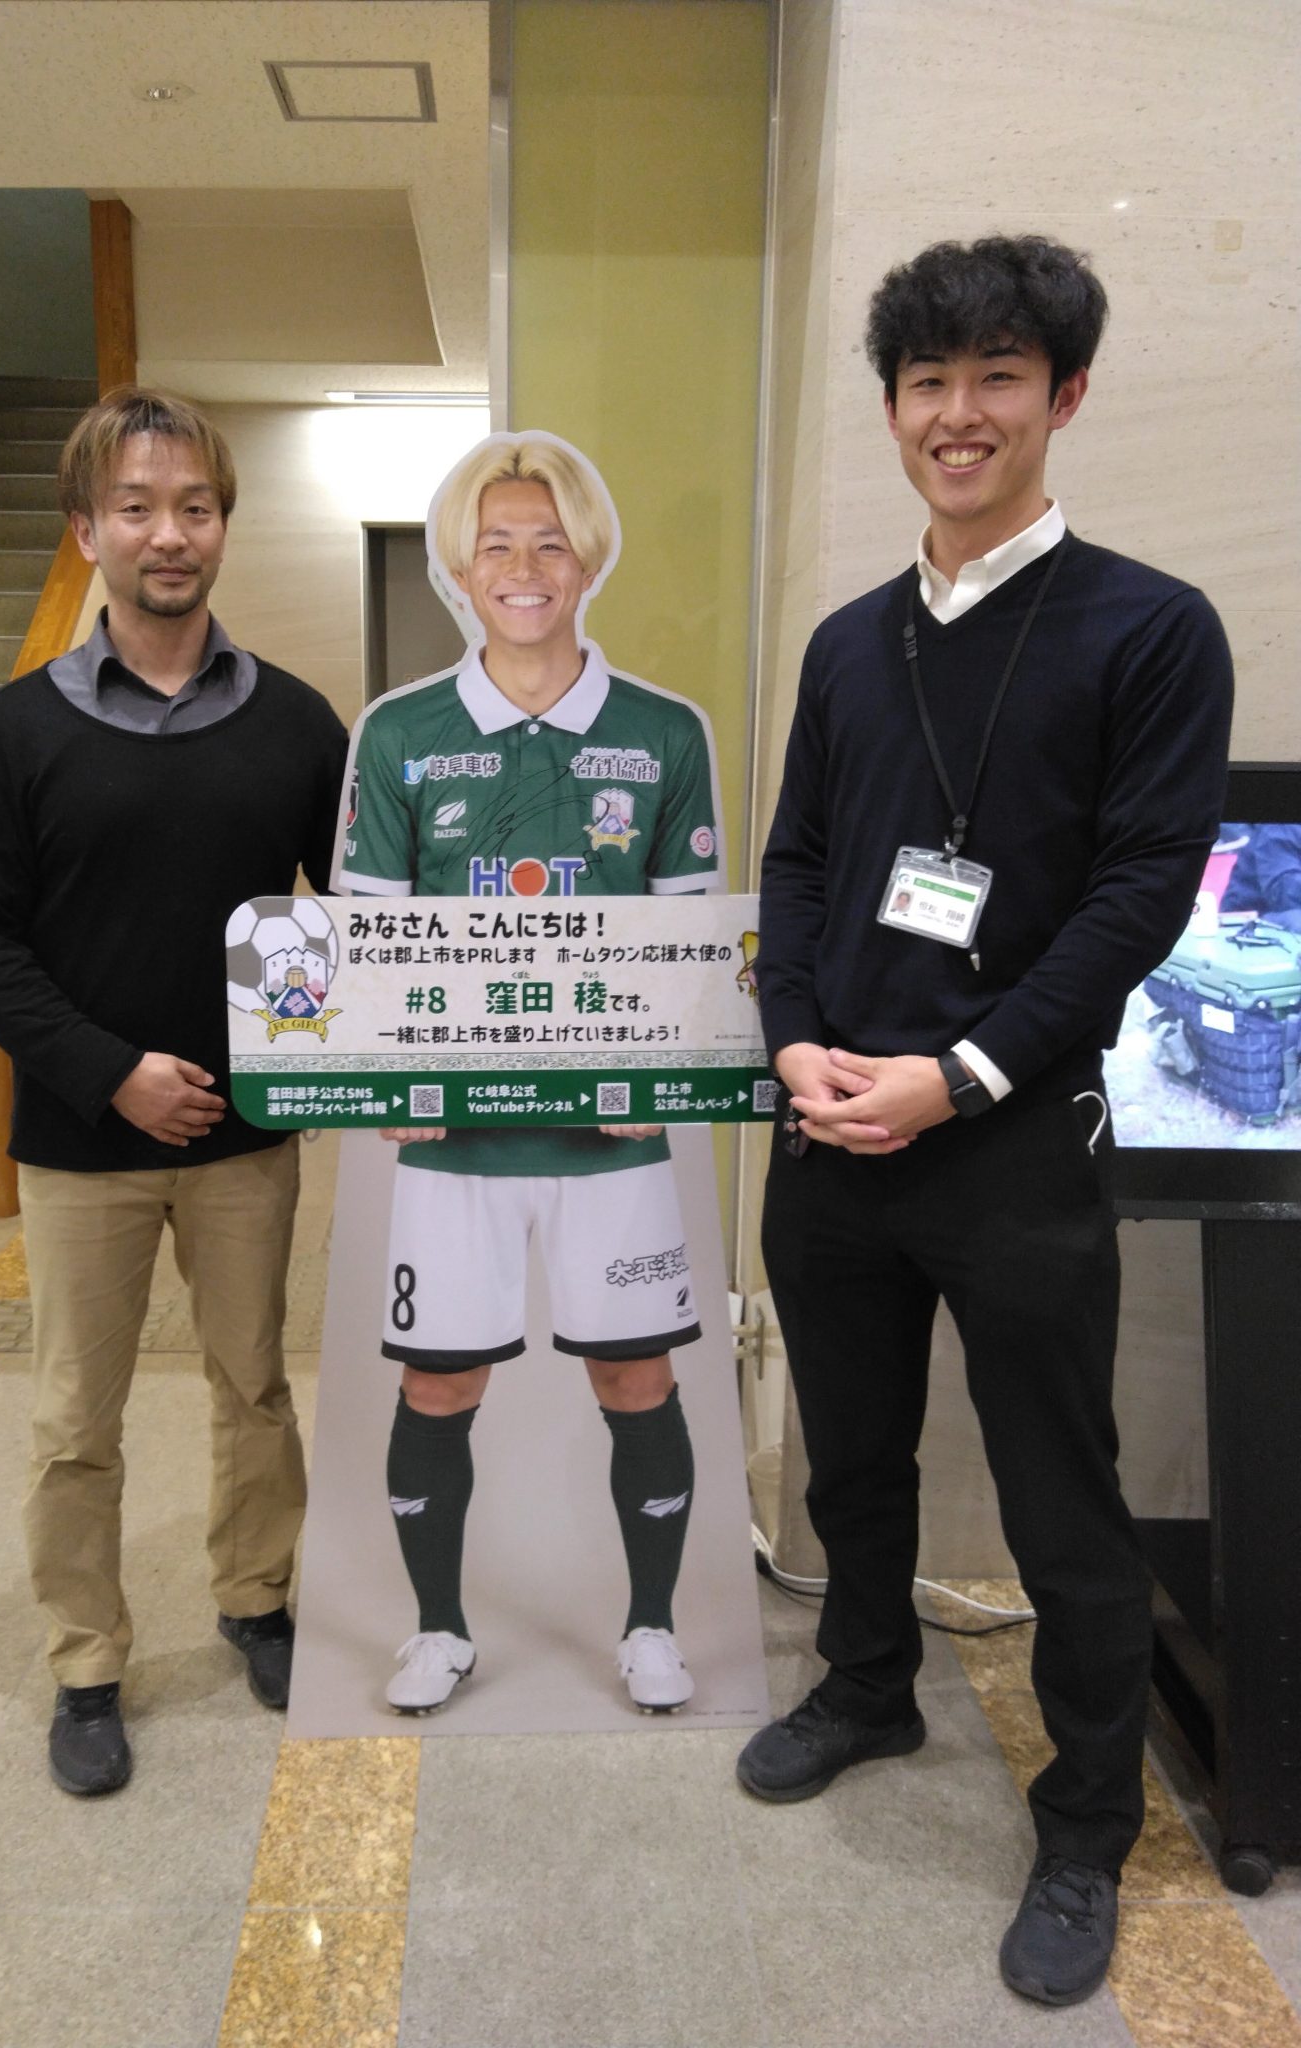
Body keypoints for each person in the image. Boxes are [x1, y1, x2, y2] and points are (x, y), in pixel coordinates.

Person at [735, 238, 1233, 2007]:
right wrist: (797, 1045)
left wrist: (956, 1075)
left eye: (998, 375)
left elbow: (1138, 896)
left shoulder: (1150, 628)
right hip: (831, 1131)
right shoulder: (847, 643)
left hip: (1012, 1140)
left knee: (1058, 1492)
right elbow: (799, 864)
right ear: (893, 408)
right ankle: (868, 1682)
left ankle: (1088, 1820)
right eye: (928, 381)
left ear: (1062, 397)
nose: (960, 412)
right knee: (852, 1456)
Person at [0, 388, 348, 1796]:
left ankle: (256, 1598)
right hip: (77, 1142)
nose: (168, 533)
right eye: (137, 508)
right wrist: (111, 1073)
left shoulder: (297, 724)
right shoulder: (11, 735)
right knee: (74, 1421)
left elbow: (354, 913)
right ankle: (86, 1663)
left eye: (194, 507)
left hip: (247, 1137)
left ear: (223, 524)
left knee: (255, 1386)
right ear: (87, 531)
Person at [335, 432, 724, 1715]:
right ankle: (438, 1629)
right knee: (438, 1379)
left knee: (638, 1376)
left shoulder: (664, 731)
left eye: (549, 541)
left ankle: (651, 1624)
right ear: (458, 566)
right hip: (458, 1139)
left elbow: (692, 945)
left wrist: (657, 1075)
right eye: (495, 542)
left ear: (589, 558)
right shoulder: (402, 731)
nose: (522, 566)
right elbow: (369, 939)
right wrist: (390, 1082)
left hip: (613, 1136)